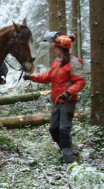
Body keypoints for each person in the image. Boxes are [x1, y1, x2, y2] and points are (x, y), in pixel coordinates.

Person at [23, 34, 86, 164]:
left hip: (68, 102)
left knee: (64, 129)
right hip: (56, 101)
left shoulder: (73, 63)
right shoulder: (57, 62)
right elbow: (48, 77)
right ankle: (65, 149)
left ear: (62, 49)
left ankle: (68, 161)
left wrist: (68, 92)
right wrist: (32, 78)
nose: (54, 50)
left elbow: (80, 82)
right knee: (53, 129)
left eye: (56, 48)